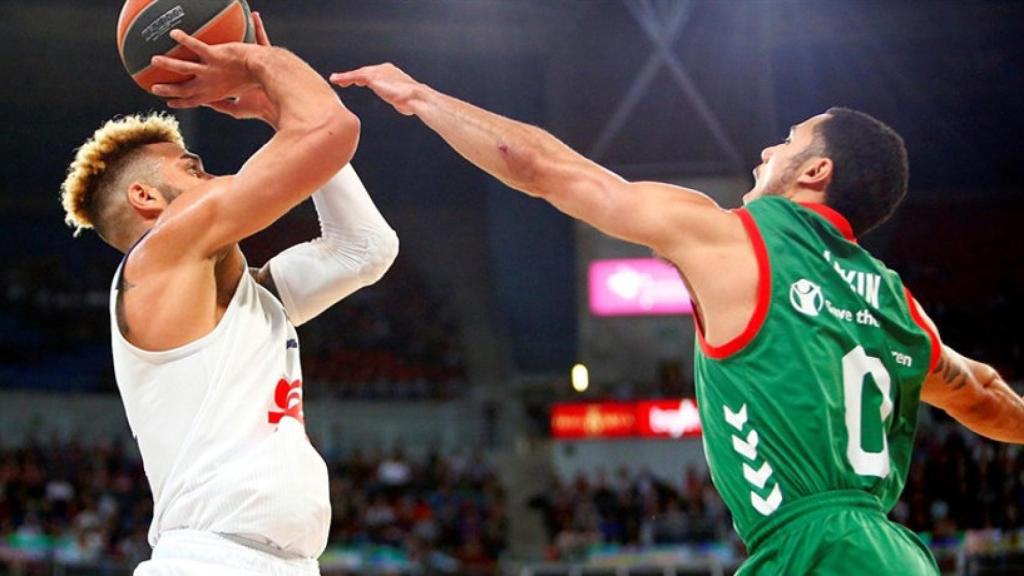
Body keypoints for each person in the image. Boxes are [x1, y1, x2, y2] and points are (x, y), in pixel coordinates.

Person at [331, 63, 1024, 574]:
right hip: (897, 554)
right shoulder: (896, 300)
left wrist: (422, 98)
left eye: (784, 143)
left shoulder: (736, 238)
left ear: (815, 172)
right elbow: (986, 397)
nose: (765, 153)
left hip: (812, 552)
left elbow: (545, 168)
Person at [60, 16, 399, 575]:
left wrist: (274, 110)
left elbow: (365, 249)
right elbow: (330, 129)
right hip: (210, 559)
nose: (216, 176)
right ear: (146, 196)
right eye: (193, 169)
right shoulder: (161, 252)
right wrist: (256, 63)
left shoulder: (247, 299)